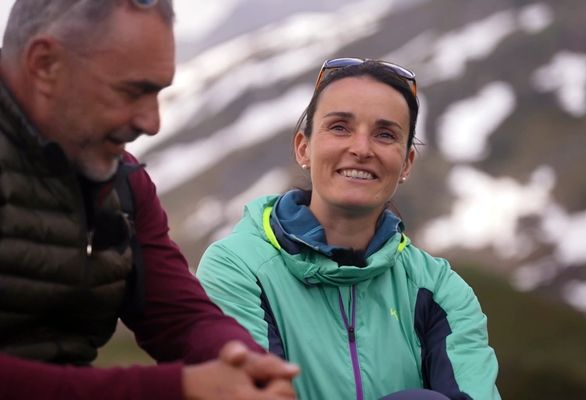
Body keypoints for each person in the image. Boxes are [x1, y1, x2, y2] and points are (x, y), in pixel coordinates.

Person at [0, 0, 299, 399]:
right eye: (132, 91)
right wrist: (177, 389)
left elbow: (179, 314)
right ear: (45, 64)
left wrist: (243, 362)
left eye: (157, 93)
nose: (152, 123)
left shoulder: (120, 181)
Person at [197, 58, 501, 399]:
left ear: (406, 164)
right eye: (340, 127)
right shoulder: (238, 268)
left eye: (385, 135)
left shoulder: (439, 290)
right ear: (303, 147)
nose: (361, 149)